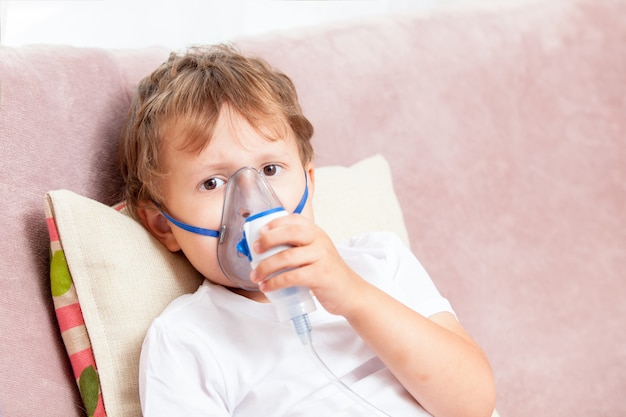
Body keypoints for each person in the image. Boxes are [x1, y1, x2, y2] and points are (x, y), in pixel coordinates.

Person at [118, 44, 496, 417]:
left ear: (309, 181)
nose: (250, 202)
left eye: (269, 170)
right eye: (213, 183)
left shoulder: (379, 262)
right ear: (163, 224)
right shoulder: (188, 342)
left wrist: (353, 295)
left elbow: (475, 403)